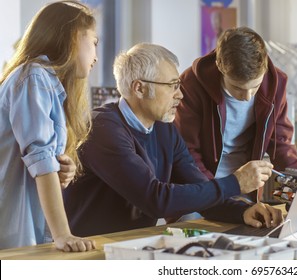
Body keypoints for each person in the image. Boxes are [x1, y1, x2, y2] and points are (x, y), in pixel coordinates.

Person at [63, 43, 282, 237]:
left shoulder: (164, 129)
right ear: (139, 88)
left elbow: (198, 190)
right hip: (89, 251)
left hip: (133, 245)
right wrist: (234, 183)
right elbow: (155, 200)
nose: (180, 94)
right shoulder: (102, 128)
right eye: (172, 85)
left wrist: (242, 211)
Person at [0, 1, 98, 251]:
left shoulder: (45, 81)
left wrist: (59, 170)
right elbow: (40, 159)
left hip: (24, 227)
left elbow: (41, 163)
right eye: (94, 42)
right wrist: (63, 234)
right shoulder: (35, 76)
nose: (96, 56)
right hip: (14, 230)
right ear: (74, 36)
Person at [175, 26, 297, 201]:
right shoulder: (191, 84)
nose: (247, 97)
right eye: (237, 88)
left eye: (255, 87)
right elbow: (188, 152)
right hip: (199, 186)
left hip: (246, 185)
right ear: (219, 65)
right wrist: (213, 195)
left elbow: (280, 142)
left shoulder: (277, 83)